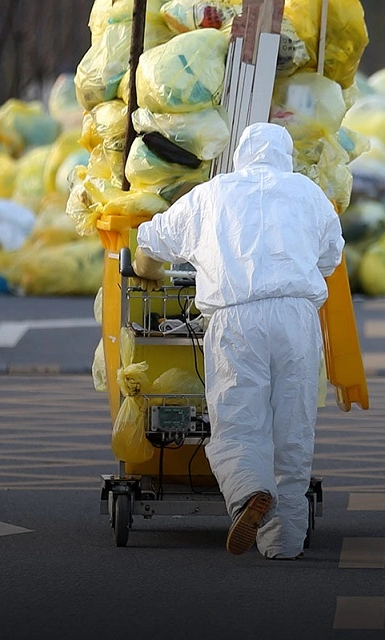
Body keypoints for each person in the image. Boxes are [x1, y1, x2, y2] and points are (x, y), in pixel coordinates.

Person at [136, 121, 344, 559]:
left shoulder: (212, 194)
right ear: (284, 156)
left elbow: (151, 240)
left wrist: (145, 268)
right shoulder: (309, 195)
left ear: (240, 156)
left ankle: (250, 491)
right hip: (296, 316)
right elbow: (330, 256)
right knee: (293, 428)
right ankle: (284, 544)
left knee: (239, 422)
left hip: (236, 318)